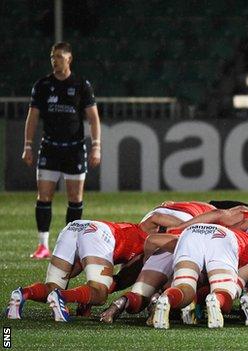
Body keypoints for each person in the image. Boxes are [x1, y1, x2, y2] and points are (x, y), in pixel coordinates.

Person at [22, 42, 101, 259]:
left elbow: (93, 117)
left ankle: (70, 244)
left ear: (69, 59)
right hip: (50, 148)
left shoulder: (81, 85)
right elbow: (33, 116)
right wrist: (28, 145)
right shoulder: (43, 85)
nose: (55, 60)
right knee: (44, 196)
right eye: (52, 56)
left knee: (75, 198)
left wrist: (96, 146)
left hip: (74, 149)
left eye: (59, 56)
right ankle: (43, 246)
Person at [6, 219, 148, 322]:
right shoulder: (151, 246)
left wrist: (85, 298)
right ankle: (61, 296)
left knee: (52, 287)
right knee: (99, 294)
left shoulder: (140, 231)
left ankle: (23, 293)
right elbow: (123, 278)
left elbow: (82, 264)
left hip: (74, 227)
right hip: (98, 234)